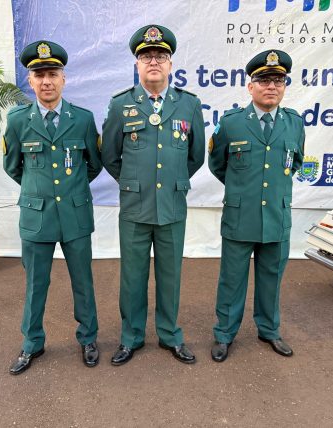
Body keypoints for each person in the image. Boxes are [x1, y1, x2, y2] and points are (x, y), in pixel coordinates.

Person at [101, 25, 205, 365]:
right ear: (137, 64)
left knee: (170, 276)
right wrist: (133, 182)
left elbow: (196, 157)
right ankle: (131, 337)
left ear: (171, 64)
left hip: (172, 205)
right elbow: (110, 155)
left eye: (161, 56)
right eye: (146, 56)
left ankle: (170, 335)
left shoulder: (188, 105)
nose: (154, 61)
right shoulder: (121, 105)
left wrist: (173, 180)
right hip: (135, 206)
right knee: (132, 278)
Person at [3, 40, 102, 374]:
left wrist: (71, 190)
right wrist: (38, 189)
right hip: (37, 216)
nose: (46, 81)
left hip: (75, 214)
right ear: (30, 81)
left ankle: (88, 338)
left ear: (63, 79)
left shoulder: (83, 119)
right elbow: (13, 167)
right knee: (35, 284)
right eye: (39, 75)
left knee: (83, 281)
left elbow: (93, 164)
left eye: (53, 74)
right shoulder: (18, 120)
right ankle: (32, 343)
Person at [208, 49, 304, 362]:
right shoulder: (232, 123)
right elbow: (217, 164)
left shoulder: (294, 124)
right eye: (264, 80)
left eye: (278, 80)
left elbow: (295, 163)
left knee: (271, 279)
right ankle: (224, 333)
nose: (271, 86)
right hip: (240, 216)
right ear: (251, 86)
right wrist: (241, 189)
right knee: (231, 280)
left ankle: (269, 330)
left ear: (284, 86)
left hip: (277, 215)